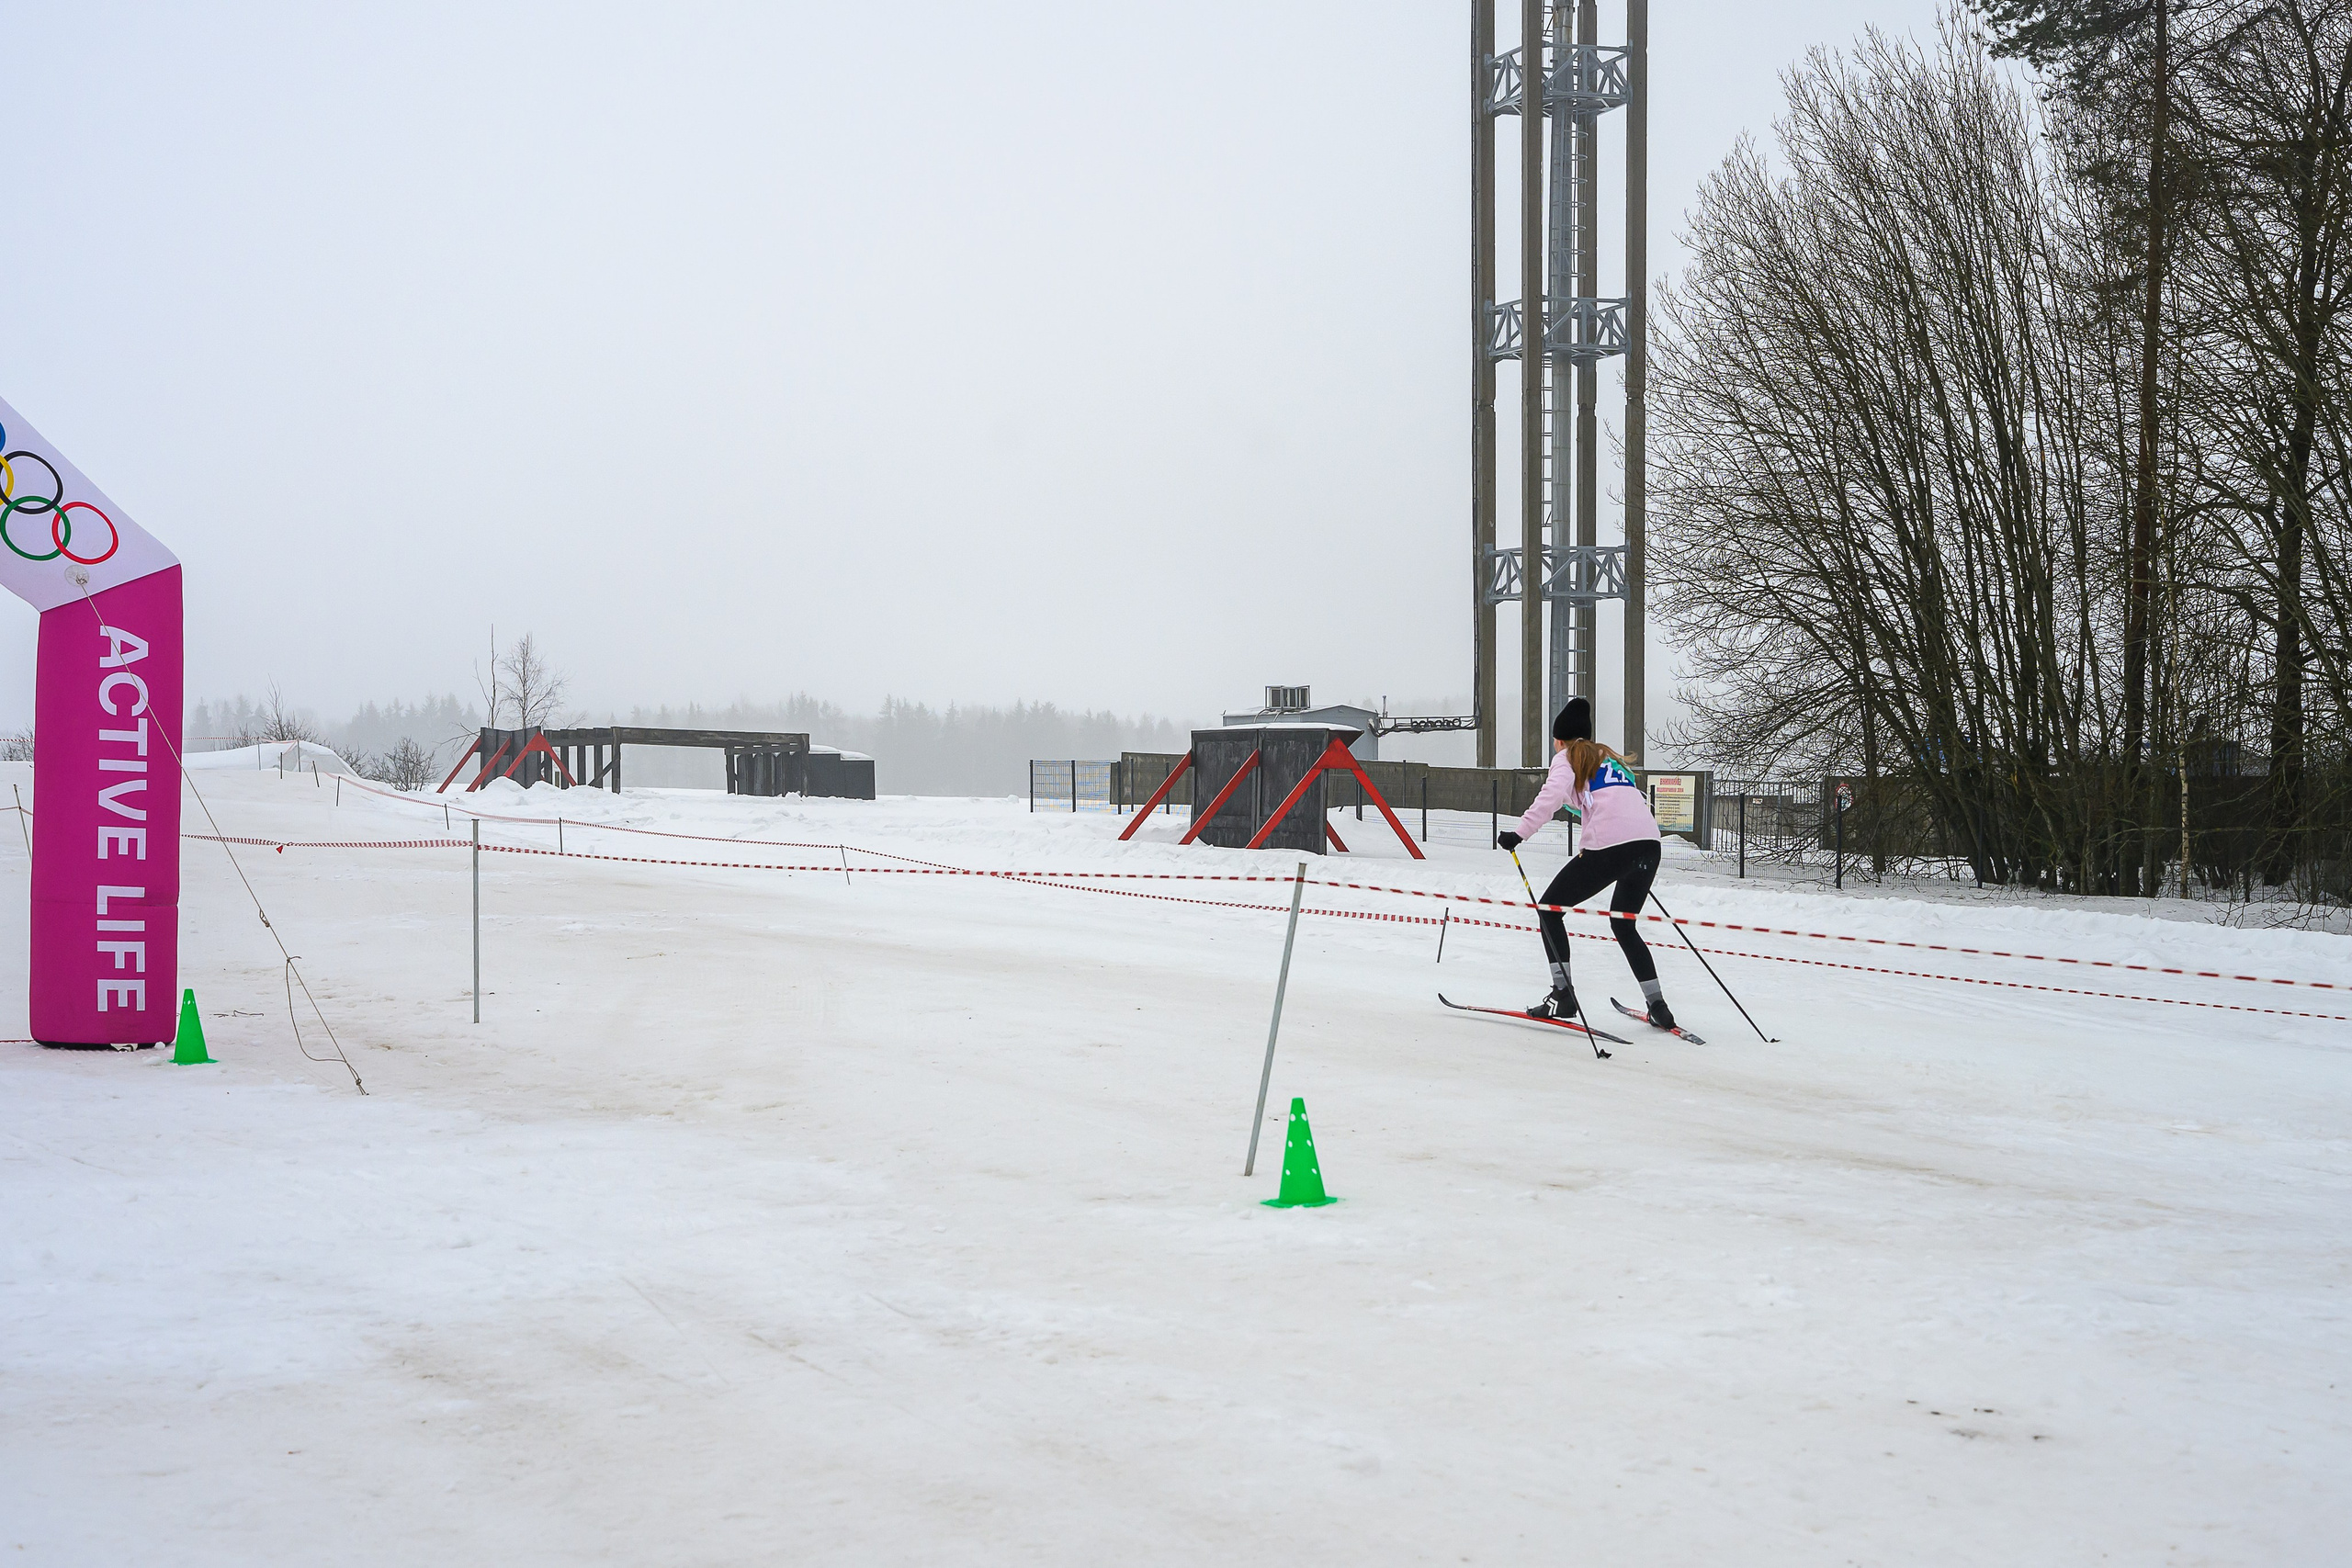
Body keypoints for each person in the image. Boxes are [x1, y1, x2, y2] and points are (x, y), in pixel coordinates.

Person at [1495, 696, 1674, 1029]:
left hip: (1610, 846)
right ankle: (1658, 1005)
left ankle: (1562, 996)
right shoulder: (1610, 760)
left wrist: (1519, 834)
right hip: (1648, 845)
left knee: (1549, 910)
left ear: (1560, 739)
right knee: (1623, 923)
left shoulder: (1566, 758)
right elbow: (1606, 800)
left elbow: (1549, 798)